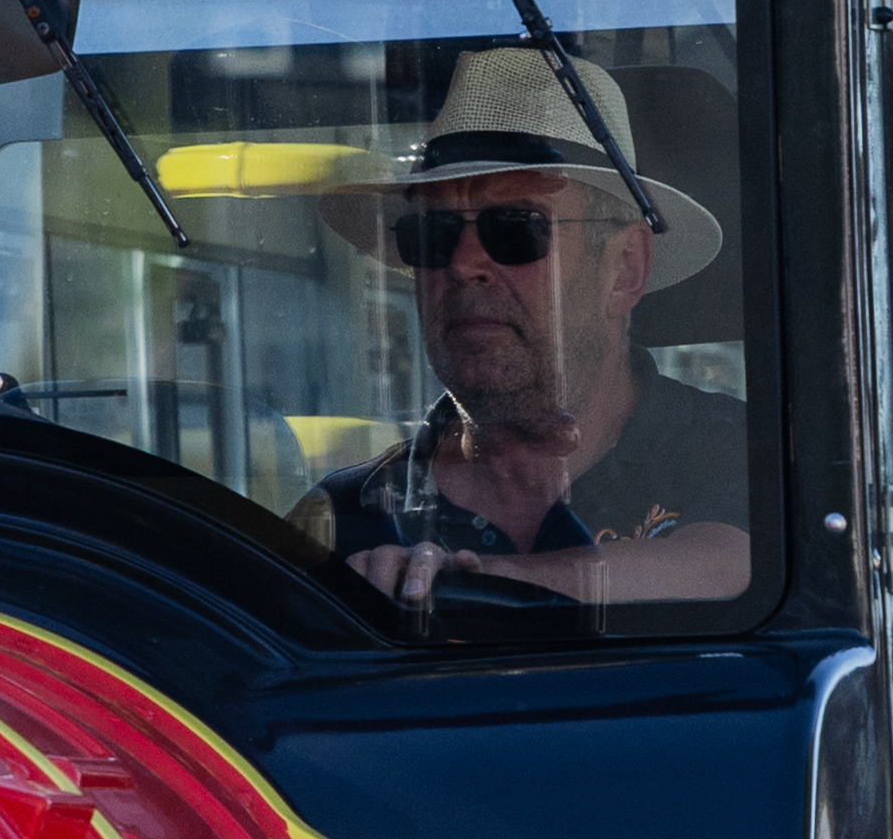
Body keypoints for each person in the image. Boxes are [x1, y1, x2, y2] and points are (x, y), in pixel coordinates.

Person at [304, 49, 748, 623]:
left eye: (514, 229)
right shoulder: (344, 516)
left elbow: (742, 563)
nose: (463, 265)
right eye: (433, 234)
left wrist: (459, 586)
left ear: (625, 269)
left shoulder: (747, 454)